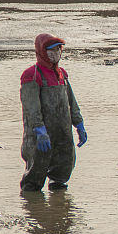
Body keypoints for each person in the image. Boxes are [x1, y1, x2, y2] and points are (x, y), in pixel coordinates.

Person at [20, 33, 87, 191]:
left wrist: (79, 124)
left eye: (58, 49)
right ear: (41, 51)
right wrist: (39, 130)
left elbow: (71, 102)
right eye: (51, 49)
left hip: (63, 133)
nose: (56, 52)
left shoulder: (62, 74)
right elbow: (31, 106)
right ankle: (32, 211)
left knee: (61, 175)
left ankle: (59, 211)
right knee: (33, 179)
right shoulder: (32, 75)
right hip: (41, 136)